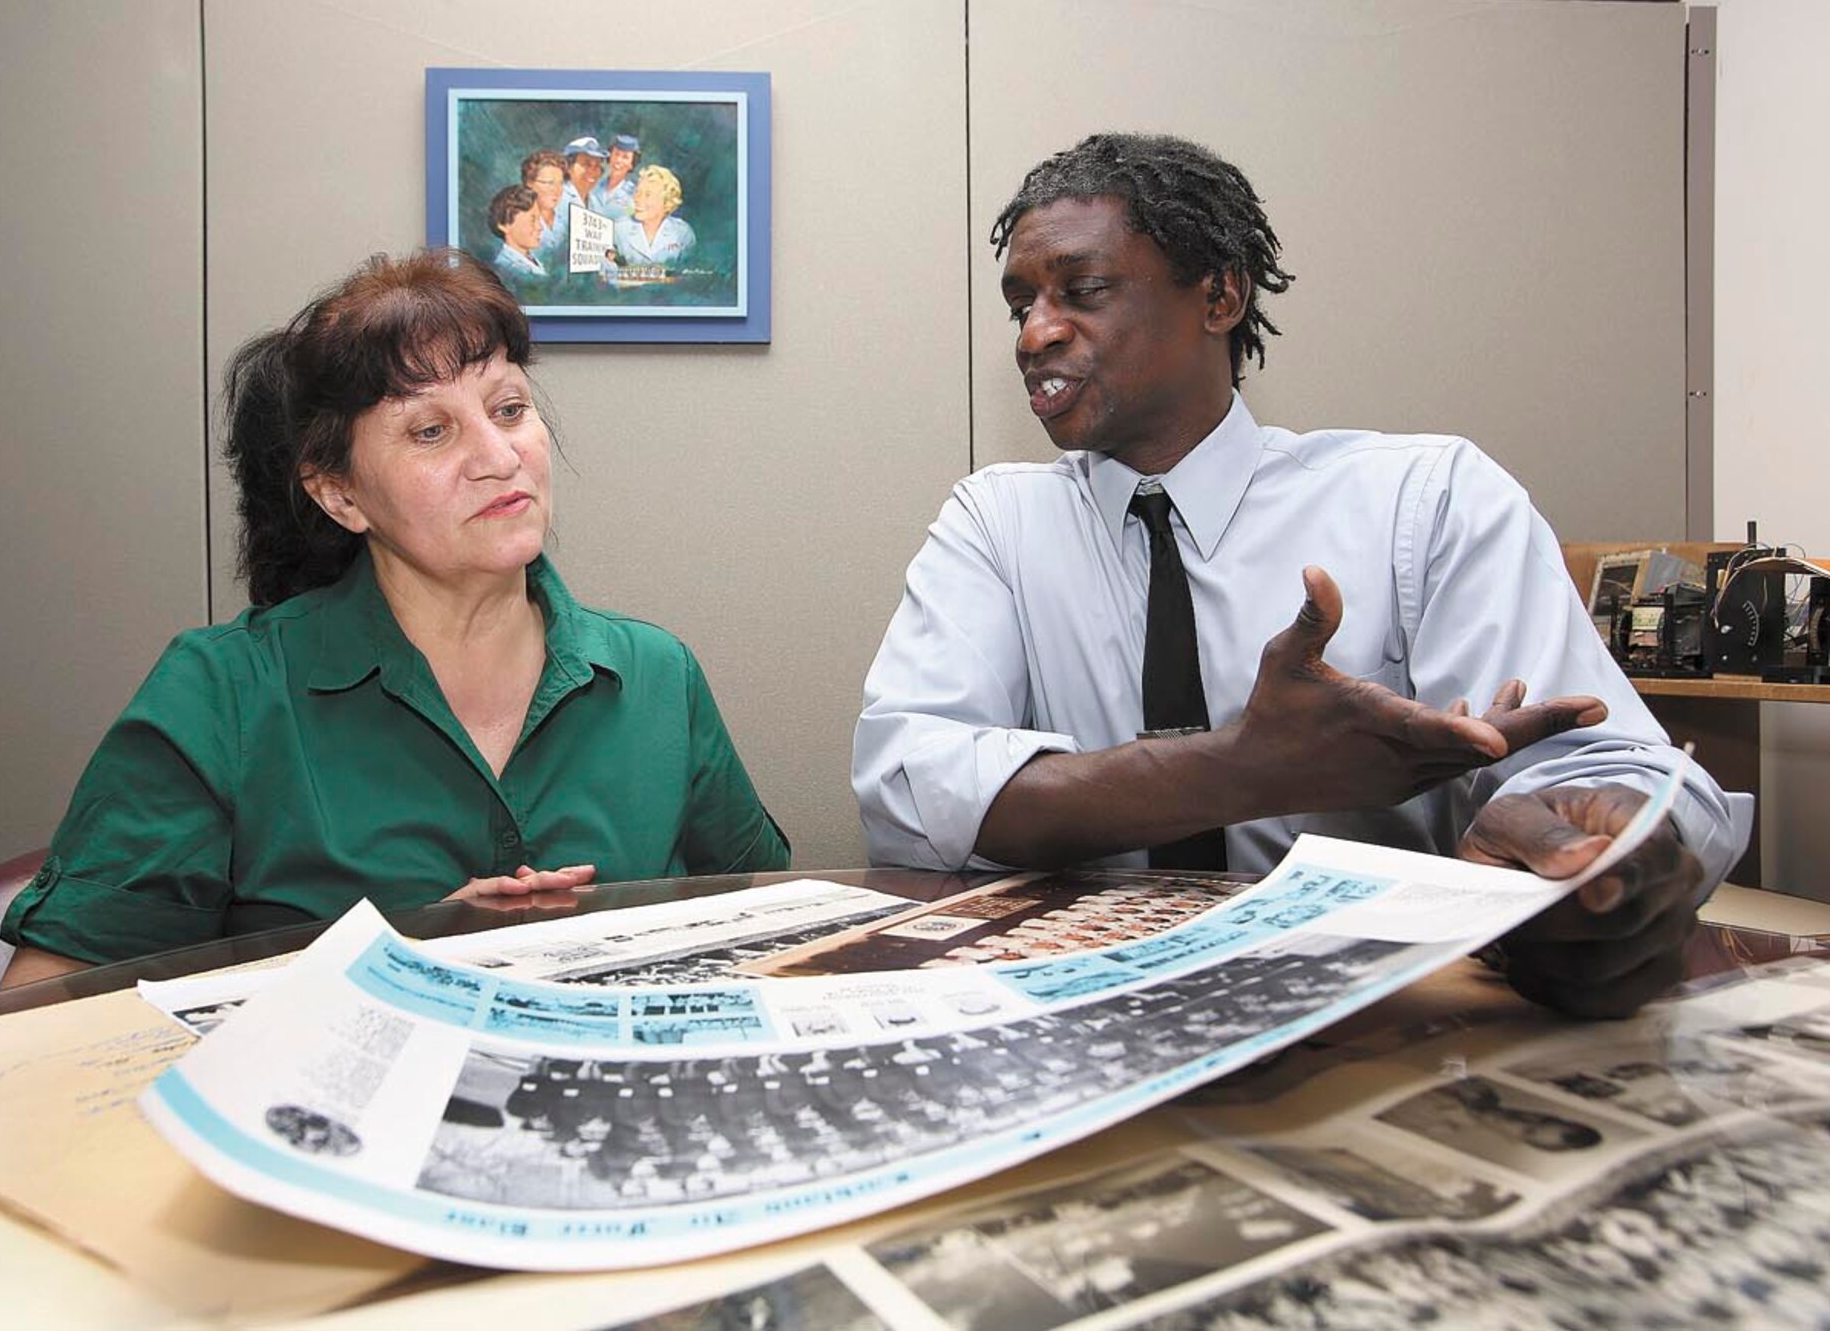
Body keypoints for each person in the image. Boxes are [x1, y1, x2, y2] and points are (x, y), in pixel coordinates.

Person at [852, 131, 1749, 1019]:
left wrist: (1598, 849)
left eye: (1082, 291)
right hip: (1084, 1017)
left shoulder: (1426, 500)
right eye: (1022, 305)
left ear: (1220, 296)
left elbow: (1603, 763)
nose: (1036, 334)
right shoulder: (996, 523)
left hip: (1380, 1032)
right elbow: (911, 783)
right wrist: (1245, 769)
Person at [0, 249, 787, 985]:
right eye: (431, 430)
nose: (498, 455)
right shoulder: (223, 693)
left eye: (509, 409)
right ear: (338, 493)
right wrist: (401, 961)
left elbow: (776, 932)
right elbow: (39, 1014)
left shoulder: (657, 673)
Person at [612, 165, 696, 269]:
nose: (637, 199)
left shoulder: (682, 232)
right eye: (637, 192)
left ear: (666, 201)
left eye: (648, 194)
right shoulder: (618, 230)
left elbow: (688, 273)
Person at [519, 149, 570, 265]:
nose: (556, 190)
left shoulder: (567, 222)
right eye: (549, 183)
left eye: (560, 183)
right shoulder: (517, 224)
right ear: (530, 183)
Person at [487, 185, 547, 281]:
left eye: (539, 219)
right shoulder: (506, 269)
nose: (540, 227)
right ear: (504, 225)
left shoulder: (532, 261)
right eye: (532, 220)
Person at [595, 133, 641, 221]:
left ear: (631, 164)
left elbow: (631, 217)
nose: (618, 160)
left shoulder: (634, 195)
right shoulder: (594, 186)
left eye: (625, 157)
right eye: (616, 154)